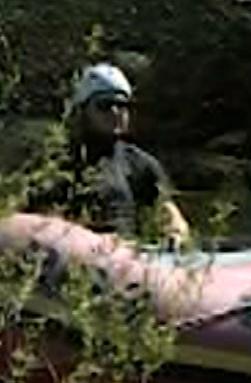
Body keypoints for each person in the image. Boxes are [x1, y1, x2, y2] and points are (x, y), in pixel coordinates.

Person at [30, 63, 191, 247]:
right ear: (83, 110)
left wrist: (175, 234)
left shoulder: (140, 163)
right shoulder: (57, 163)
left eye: (122, 105)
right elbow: (40, 223)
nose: (116, 112)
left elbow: (170, 214)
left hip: (126, 259)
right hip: (76, 257)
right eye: (105, 105)